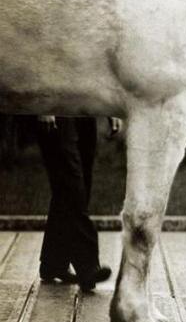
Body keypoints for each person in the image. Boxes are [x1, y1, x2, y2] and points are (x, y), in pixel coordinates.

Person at [36, 115, 122, 291]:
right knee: (71, 182)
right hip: (56, 103)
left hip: (83, 106)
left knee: (79, 184)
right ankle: (88, 266)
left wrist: (109, 110)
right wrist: (45, 107)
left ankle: (54, 263)